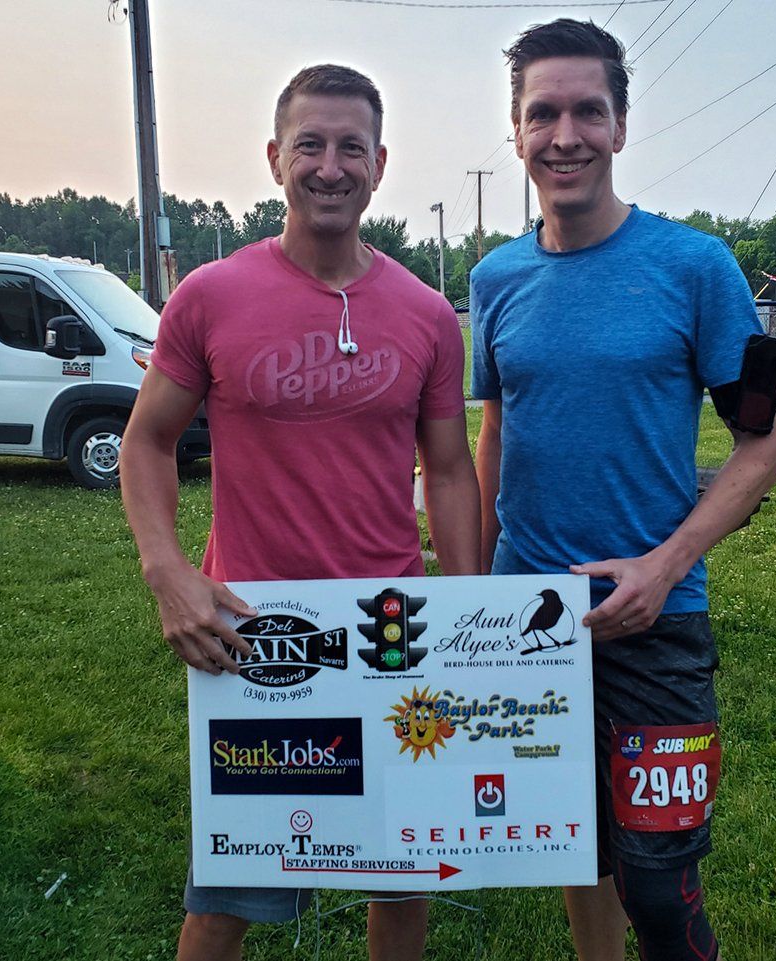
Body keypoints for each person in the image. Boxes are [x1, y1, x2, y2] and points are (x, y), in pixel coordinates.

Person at [121, 63, 480, 961]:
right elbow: (147, 442)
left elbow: (446, 468)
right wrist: (168, 569)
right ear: (276, 157)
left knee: (402, 875)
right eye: (310, 145)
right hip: (257, 635)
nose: (330, 165)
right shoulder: (211, 296)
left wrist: (474, 615)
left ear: (380, 163)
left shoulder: (430, 314)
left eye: (350, 147)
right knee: (231, 892)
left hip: (390, 631)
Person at [471, 20, 776, 961]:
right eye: (543, 113)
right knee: (578, 846)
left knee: (659, 877)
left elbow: (761, 449)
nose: (563, 134)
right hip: (532, 620)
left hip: (657, 617)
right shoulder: (495, 278)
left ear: (618, 124)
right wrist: (480, 585)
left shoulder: (694, 268)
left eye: (585, 111)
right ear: (516, 129)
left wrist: (664, 564)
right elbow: (496, 430)